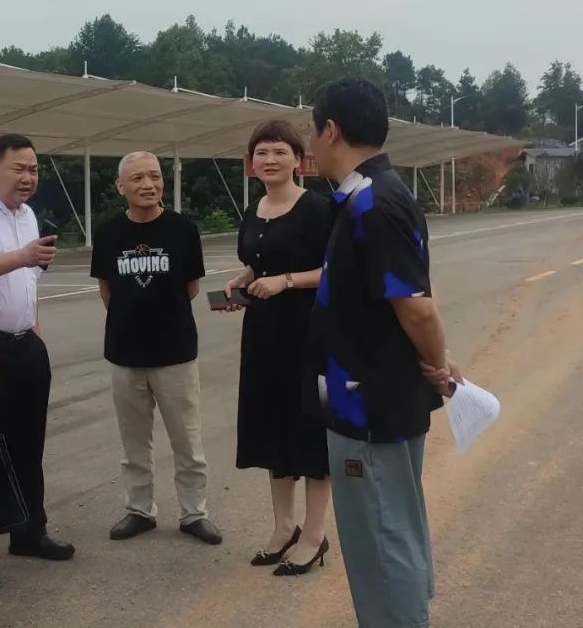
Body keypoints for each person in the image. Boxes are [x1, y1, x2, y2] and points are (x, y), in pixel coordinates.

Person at [306, 78, 460, 627]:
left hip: (367, 406)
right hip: (365, 396)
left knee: (381, 532)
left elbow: (416, 308)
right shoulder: (365, 196)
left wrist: (439, 364)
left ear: (331, 130)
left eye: (312, 131)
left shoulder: (373, 202)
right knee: (390, 521)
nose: (311, 143)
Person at [0, 134, 75, 591]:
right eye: (18, 168)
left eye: (34, 170)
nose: (28, 178)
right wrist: (22, 257)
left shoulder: (27, 215)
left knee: (29, 444)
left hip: (26, 346)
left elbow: (26, 283)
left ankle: (29, 530)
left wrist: (34, 329)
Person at [219, 121, 334, 575]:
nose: (270, 159)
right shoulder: (254, 210)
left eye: (280, 151)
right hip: (264, 334)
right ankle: (283, 526)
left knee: (309, 429)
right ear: (251, 163)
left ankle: (314, 534)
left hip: (308, 334)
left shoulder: (318, 208)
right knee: (272, 428)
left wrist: (286, 281)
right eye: (261, 153)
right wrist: (242, 280)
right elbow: (256, 263)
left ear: (299, 160)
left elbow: (336, 270)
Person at [89, 151, 221, 545]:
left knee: (187, 441)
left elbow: (191, 287)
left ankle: (194, 513)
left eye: (155, 176)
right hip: (125, 354)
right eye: (137, 178)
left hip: (175, 351)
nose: (148, 184)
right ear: (120, 187)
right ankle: (139, 510)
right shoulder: (108, 233)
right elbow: (107, 289)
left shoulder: (183, 229)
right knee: (134, 443)